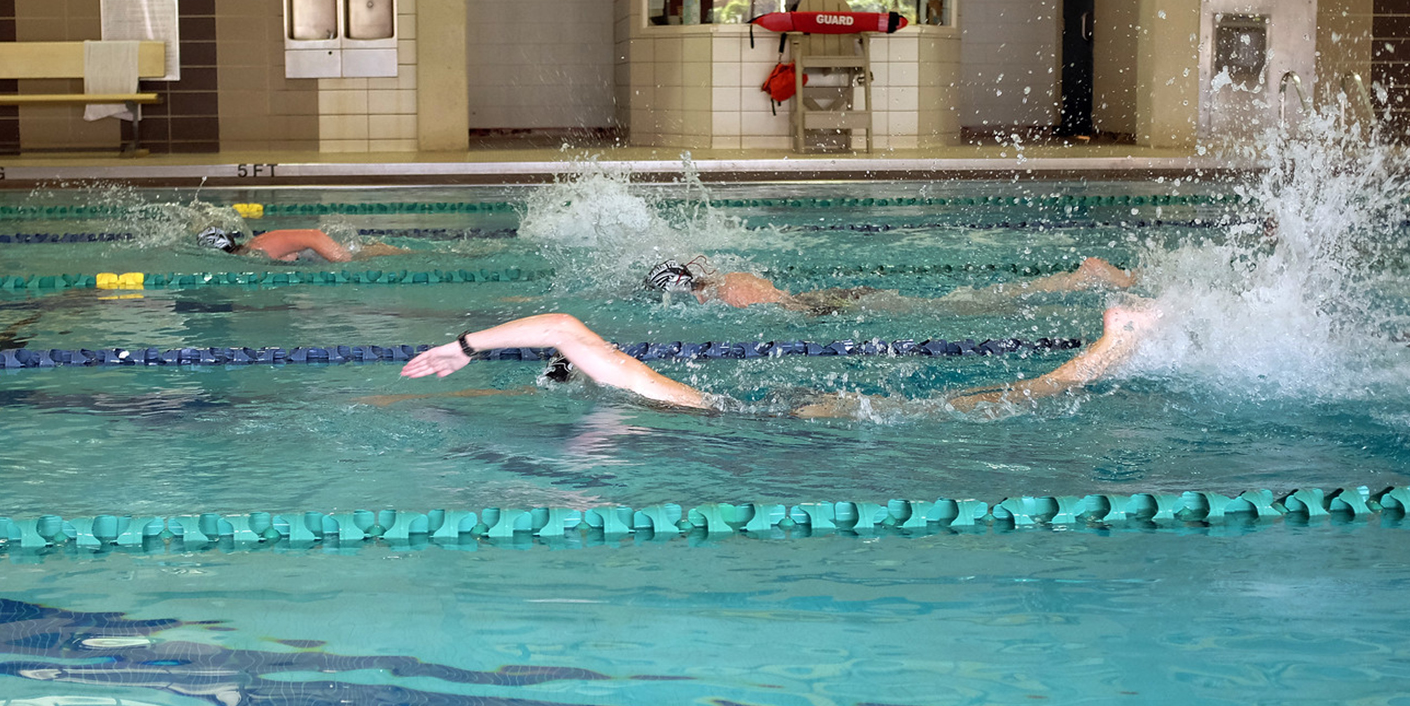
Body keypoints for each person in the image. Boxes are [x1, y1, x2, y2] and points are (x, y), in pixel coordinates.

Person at [394, 304, 1158, 419]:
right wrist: (462, 350)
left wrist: (460, 349)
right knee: (979, 401)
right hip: (783, 414)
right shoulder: (651, 395)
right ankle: (1110, 345)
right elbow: (566, 331)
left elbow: (564, 328)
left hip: (792, 421)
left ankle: (1112, 345)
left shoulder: (647, 394)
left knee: (982, 405)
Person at [644, 256, 1136, 314]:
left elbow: (786, 308)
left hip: (840, 308)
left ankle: (1076, 279)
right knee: (962, 304)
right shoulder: (729, 276)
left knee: (967, 310)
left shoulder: (726, 291)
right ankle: (1071, 280)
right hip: (840, 301)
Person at [196, 226, 408, 263]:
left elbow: (314, 236)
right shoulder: (250, 253)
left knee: (375, 255)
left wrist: (344, 260)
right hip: (317, 257)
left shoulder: (261, 247)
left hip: (331, 253)